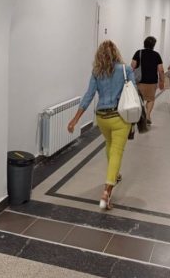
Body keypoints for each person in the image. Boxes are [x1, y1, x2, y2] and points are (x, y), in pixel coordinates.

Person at [67, 40, 134, 210]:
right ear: (116, 52)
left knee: (109, 144)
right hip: (120, 117)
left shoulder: (97, 72)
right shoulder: (126, 70)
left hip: (102, 117)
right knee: (117, 151)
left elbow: (88, 95)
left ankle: (115, 174)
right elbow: (133, 92)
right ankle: (107, 191)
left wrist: (75, 119)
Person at [131, 36, 164, 124]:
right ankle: (148, 115)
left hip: (140, 81)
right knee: (151, 99)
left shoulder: (138, 53)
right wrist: (162, 81)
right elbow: (161, 70)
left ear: (144, 43)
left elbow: (132, 67)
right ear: (154, 45)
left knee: (139, 99)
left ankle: (139, 117)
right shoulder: (156, 55)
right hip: (152, 81)